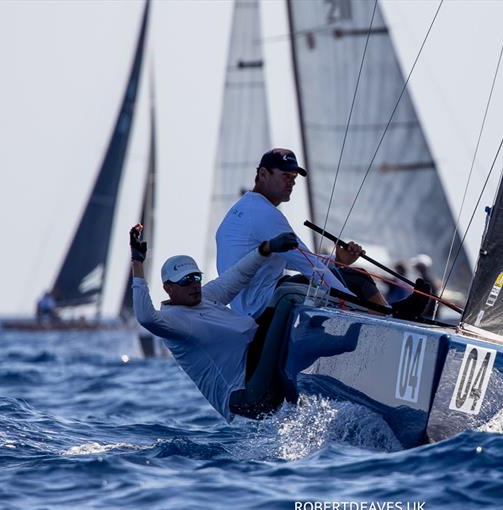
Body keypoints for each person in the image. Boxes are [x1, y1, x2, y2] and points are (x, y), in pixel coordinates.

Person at [129, 223, 302, 420]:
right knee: (285, 295)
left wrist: (267, 248)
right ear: (168, 288)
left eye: (196, 277)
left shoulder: (207, 296)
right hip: (248, 397)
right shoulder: (173, 321)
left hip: (260, 370)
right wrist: (137, 263)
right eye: (185, 280)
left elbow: (239, 274)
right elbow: (145, 317)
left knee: (290, 284)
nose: (193, 285)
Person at [215, 148, 389, 318]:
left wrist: (337, 261)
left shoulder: (243, 208)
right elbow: (309, 265)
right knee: (357, 278)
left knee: (345, 278)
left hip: (248, 308)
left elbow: (292, 259)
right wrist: (351, 302)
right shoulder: (264, 213)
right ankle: (387, 319)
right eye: (285, 175)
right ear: (263, 174)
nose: (291, 182)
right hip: (262, 306)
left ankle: (384, 314)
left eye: (294, 177)